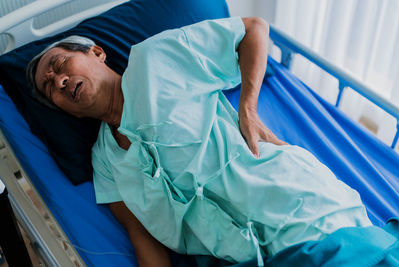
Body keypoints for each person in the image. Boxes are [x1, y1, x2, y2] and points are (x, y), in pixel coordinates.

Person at [27, 17, 372, 267]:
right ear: (66, 112)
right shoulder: (105, 162)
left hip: (291, 203)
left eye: (60, 65)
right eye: (50, 86)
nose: (59, 80)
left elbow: (252, 30)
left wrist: (247, 108)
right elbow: (143, 240)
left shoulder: (155, 59)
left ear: (97, 53)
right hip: (242, 254)